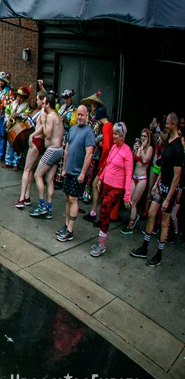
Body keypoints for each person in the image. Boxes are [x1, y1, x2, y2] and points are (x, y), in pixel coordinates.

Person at [132, 113, 182, 266]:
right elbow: (164, 167)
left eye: (168, 123)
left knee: (165, 223)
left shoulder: (178, 148)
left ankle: (159, 254)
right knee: (151, 214)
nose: (165, 125)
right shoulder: (169, 142)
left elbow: (177, 176)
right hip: (161, 186)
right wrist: (156, 184)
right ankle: (145, 247)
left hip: (169, 190)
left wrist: (168, 199)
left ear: (174, 124)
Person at [90, 122, 134, 257]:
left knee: (104, 211)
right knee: (103, 212)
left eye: (116, 134)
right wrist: (101, 178)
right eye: (113, 133)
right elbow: (107, 164)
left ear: (122, 136)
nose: (113, 136)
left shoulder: (127, 151)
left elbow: (129, 174)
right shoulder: (114, 148)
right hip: (106, 185)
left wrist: (127, 196)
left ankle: (101, 245)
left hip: (117, 188)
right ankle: (100, 242)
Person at [55, 105, 95, 243]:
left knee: (73, 199)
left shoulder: (89, 132)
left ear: (87, 116)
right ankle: (66, 225)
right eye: (78, 114)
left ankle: (70, 230)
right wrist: (64, 168)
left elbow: (89, 154)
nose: (80, 117)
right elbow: (66, 149)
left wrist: (83, 173)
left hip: (78, 173)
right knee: (67, 198)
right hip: (69, 170)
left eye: (82, 115)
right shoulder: (72, 129)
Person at [27, 92, 64, 216]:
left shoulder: (50, 116)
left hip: (52, 150)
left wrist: (43, 121)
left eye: (43, 103)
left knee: (38, 175)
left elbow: (47, 134)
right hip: (59, 150)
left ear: (48, 104)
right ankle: (49, 208)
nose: (42, 106)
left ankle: (41, 206)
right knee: (49, 179)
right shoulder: (57, 116)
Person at [121, 128, 154, 234]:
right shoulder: (138, 147)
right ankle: (133, 217)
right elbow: (130, 159)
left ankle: (131, 226)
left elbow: (145, 160)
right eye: (142, 136)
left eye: (145, 136)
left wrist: (142, 148)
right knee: (128, 200)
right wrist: (134, 150)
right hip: (134, 176)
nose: (143, 138)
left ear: (148, 138)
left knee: (134, 202)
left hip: (142, 178)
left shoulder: (149, 148)